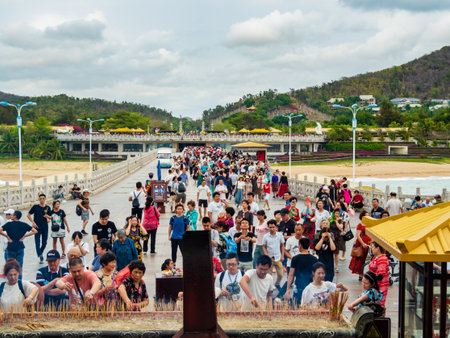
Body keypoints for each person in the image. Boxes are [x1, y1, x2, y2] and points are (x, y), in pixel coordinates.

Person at [285, 238, 318, 305]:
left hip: (298, 286)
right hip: (310, 286)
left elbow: (291, 275)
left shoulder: (295, 258)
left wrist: (287, 289)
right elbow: (316, 275)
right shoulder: (314, 259)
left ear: (300, 245)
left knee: (296, 306)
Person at [27, 193, 51, 263]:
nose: (42, 200)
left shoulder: (48, 208)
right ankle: (40, 255)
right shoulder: (35, 207)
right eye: (40, 199)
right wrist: (33, 222)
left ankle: (40, 252)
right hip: (37, 227)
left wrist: (48, 218)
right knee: (37, 242)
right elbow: (28, 215)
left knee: (44, 242)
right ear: (38, 199)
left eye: (43, 198)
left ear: (45, 199)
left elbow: (50, 217)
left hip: (45, 227)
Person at [349, 210, 372, 280]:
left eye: (368, 215)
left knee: (368, 259)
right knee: (361, 260)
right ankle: (360, 274)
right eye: (366, 216)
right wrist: (363, 243)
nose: (367, 217)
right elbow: (358, 235)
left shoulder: (370, 224)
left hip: (369, 243)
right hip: (362, 243)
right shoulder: (360, 225)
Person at [262, 219, 285, 289]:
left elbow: (282, 245)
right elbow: (264, 246)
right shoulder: (266, 236)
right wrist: (266, 255)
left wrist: (282, 255)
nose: (272, 229)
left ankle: (277, 283)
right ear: (268, 228)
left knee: (281, 274)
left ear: (276, 227)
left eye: (273, 227)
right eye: (270, 227)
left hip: (278, 257)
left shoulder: (280, 235)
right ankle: (269, 287)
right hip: (269, 257)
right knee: (269, 274)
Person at [368, 242, 389, 307]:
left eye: (373, 247)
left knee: (380, 303)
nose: (372, 249)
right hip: (374, 284)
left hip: (380, 284)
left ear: (378, 248)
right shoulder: (375, 257)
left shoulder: (382, 259)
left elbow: (380, 276)